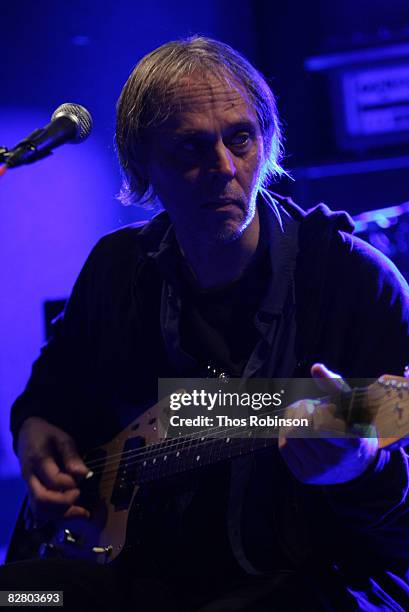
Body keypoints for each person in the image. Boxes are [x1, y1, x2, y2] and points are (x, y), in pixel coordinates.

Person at [2, 35, 409, 611]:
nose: (223, 168)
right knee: (18, 596)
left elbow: (398, 543)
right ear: (141, 162)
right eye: (190, 148)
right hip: (132, 572)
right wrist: (33, 429)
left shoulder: (353, 280)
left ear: (265, 142)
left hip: (297, 579)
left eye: (240, 138)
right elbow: (53, 386)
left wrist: (361, 469)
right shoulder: (116, 269)